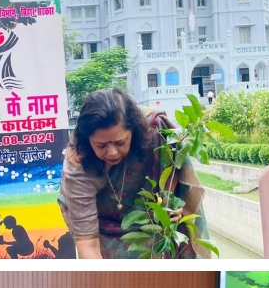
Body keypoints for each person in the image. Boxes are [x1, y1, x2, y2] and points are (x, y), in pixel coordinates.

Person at [57, 88, 209, 258]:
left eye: (120, 142)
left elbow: (175, 182)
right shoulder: (78, 165)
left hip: (156, 232)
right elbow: (88, 245)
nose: (112, 152)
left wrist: (173, 205)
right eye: (101, 146)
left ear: (134, 131)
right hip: (105, 239)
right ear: (88, 141)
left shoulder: (155, 133)